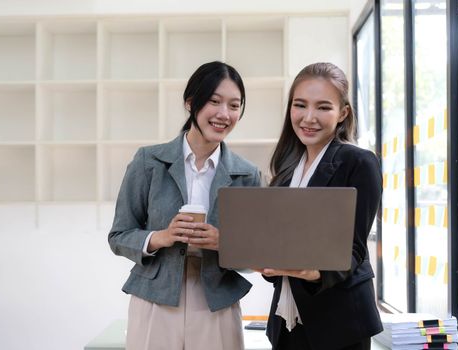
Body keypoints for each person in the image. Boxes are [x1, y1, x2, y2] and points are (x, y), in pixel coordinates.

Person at [108, 61, 261, 350]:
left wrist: (223, 243)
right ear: (191, 103)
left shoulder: (247, 174)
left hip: (217, 301)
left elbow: (257, 254)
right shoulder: (148, 162)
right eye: (214, 101)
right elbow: (118, 236)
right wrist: (161, 237)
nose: (224, 114)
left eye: (234, 105)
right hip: (155, 298)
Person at [256, 62, 383, 350]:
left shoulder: (359, 162)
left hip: (339, 322)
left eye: (323, 107)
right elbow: (280, 247)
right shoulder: (285, 172)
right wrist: (264, 260)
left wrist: (315, 272)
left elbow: (355, 249)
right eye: (300, 105)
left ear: (343, 113)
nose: (308, 117)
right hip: (287, 322)